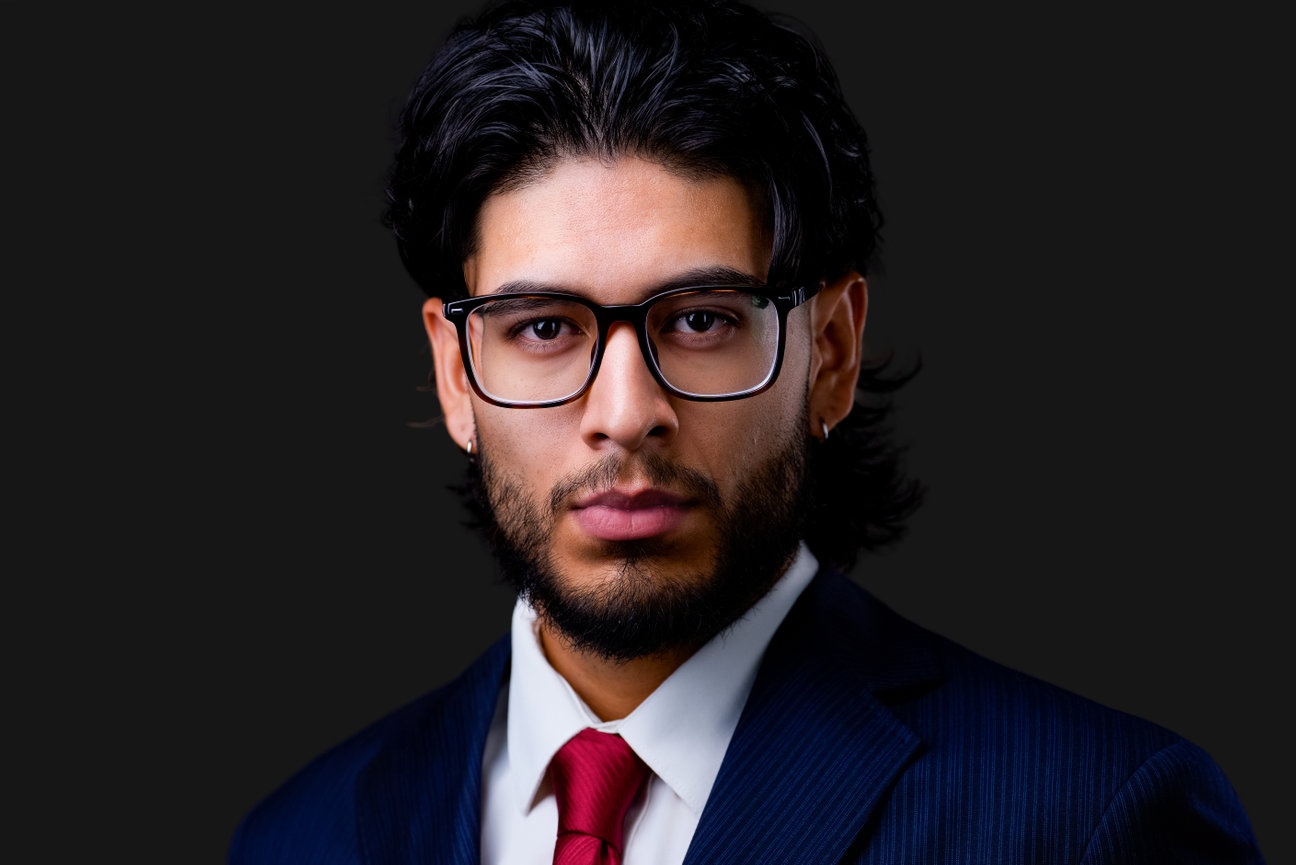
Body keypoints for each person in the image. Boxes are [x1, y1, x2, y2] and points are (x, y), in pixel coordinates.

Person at [229, 1, 1263, 861]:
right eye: (543, 328)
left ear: (832, 352)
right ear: (458, 374)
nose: (626, 413)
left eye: (701, 322)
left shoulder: (1089, 819)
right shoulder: (299, 839)